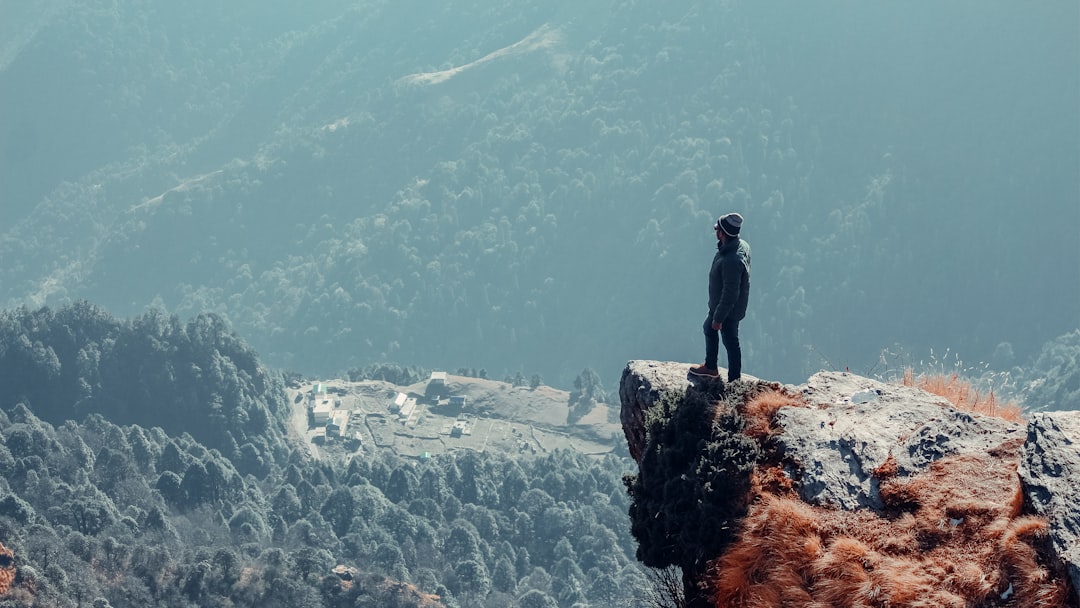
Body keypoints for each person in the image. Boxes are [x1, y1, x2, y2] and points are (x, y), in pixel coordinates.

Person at [689, 212, 751, 382]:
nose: (715, 229)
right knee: (715, 332)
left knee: (729, 341)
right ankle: (714, 368)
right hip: (727, 306)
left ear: (722, 233)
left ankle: (732, 380)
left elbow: (730, 293)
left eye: (718, 228)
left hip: (726, 309)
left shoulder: (731, 259)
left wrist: (718, 317)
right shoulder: (740, 246)